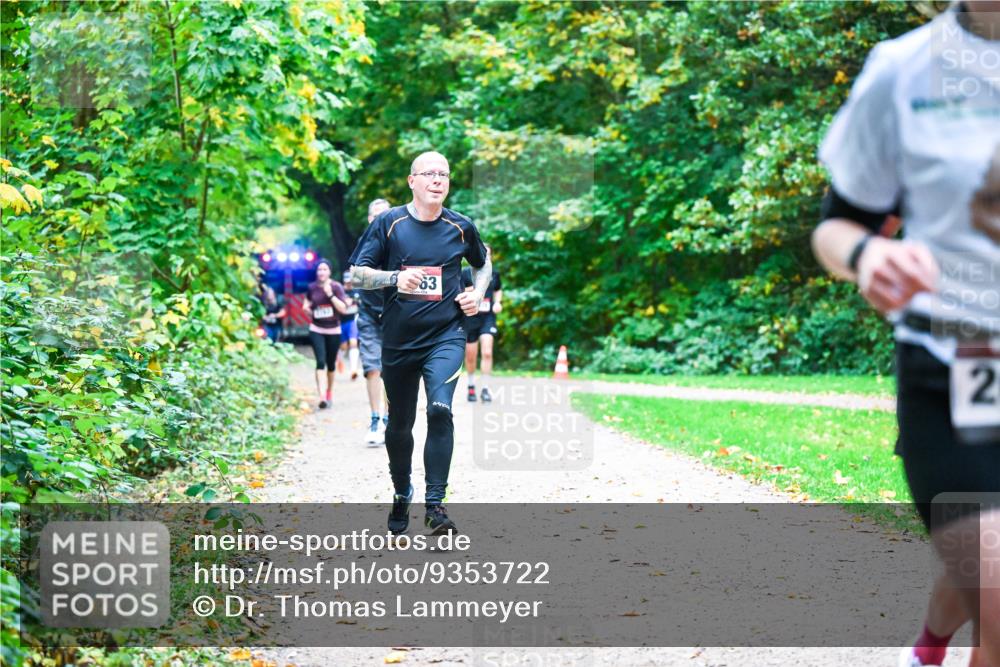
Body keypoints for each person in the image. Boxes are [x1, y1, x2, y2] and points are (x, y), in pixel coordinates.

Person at [811, 4, 999, 666]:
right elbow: (836, 226)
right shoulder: (905, 70)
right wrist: (867, 256)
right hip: (958, 366)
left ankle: (927, 646)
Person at [350, 152, 491, 535]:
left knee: (441, 410)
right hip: (398, 340)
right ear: (411, 180)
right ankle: (401, 493)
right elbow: (357, 275)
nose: (437, 180)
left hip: (446, 334)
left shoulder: (461, 227)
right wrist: (395, 278)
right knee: (399, 424)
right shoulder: (389, 223)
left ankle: (435, 505)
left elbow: (483, 261)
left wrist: (476, 293)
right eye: (429, 173)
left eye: (443, 174)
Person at [356, 198, 392, 446]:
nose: (380, 219)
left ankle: (390, 420)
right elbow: (357, 277)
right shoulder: (364, 244)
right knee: (372, 366)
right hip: (369, 314)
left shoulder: (402, 242)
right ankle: (375, 418)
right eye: (375, 215)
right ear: (370, 219)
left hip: (395, 314)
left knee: (392, 371)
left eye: (385, 215)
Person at [302, 260, 349, 409]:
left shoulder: (336, 287)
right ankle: (321, 395)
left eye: (324, 269)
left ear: (329, 272)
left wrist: (330, 295)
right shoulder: (312, 288)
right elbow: (306, 304)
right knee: (320, 362)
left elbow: (343, 309)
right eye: (319, 270)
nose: (321, 272)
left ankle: (329, 392)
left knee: (330, 364)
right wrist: (307, 309)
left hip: (334, 329)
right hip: (316, 328)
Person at [462, 247, 503, 403]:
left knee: (487, 352)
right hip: (470, 318)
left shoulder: (495, 274)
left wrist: (498, 302)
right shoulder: (465, 272)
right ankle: (471, 386)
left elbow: (498, 290)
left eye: (489, 254)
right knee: (471, 356)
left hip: (488, 318)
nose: (486, 256)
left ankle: (485, 388)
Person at [338, 270, 362, 381]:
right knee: (343, 347)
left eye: (350, 282)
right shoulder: (339, 291)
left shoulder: (357, 291)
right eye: (347, 282)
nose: (349, 284)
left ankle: (353, 370)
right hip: (341, 322)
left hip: (353, 320)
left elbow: (362, 304)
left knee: (353, 343)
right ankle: (339, 360)